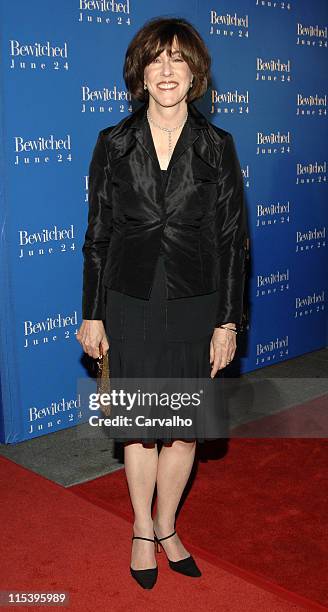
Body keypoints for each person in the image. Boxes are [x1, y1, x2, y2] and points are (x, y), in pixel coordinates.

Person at [77, 16, 249, 589]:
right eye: (157, 59)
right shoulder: (114, 142)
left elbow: (232, 239)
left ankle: (167, 524)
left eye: (178, 59)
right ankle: (140, 529)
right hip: (129, 300)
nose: (167, 70)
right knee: (142, 427)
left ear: (195, 71)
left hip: (195, 303)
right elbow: (98, 234)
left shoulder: (216, 146)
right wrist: (92, 312)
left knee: (181, 429)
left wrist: (228, 321)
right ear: (141, 72)